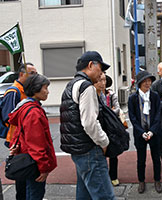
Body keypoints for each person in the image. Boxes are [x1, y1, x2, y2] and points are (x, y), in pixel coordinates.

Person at [60, 51, 115, 199]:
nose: (102, 73)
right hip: (90, 149)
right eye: (101, 69)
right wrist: (104, 142)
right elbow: (90, 123)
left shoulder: (71, 85)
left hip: (77, 150)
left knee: (84, 195)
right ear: (91, 65)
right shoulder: (87, 87)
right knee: (105, 196)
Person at [8, 74, 57, 200]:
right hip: (34, 162)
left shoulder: (25, 107)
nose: (48, 91)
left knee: (28, 192)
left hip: (27, 158)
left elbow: (19, 131)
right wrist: (43, 168)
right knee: (35, 193)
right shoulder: (34, 112)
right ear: (36, 89)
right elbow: (37, 143)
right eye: (45, 88)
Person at [0, 62, 37, 200]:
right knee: (22, 173)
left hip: (24, 139)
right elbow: (7, 116)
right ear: (22, 74)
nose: (35, 76)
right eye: (32, 73)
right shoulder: (14, 91)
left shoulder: (25, 90)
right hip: (17, 140)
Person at [128, 70, 162, 194]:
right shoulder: (132, 98)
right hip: (140, 133)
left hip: (154, 133)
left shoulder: (154, 96)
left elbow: (158, 115)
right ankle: (141, 181)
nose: (148, 83)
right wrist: (141, 132)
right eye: (145, 81)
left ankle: (157, 180)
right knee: (141, 159)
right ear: (139, 83)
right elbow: (132, 118)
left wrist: (152, 131)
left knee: (156, 158)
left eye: (149, 81)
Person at [94, 73, 121, 186]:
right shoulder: (92, 95)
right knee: (100, 154)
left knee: (113, 152)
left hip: (110, 127)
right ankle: (103, 176)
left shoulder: (111, 94)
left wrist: (107, 113)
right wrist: (109, 112)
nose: (103, 83)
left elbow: (117, 109)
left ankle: (113, 176)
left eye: (104, 81)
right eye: (100, 80)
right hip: (98, 127)